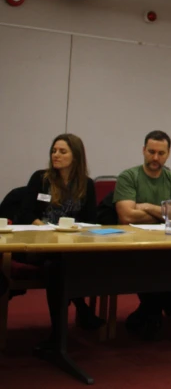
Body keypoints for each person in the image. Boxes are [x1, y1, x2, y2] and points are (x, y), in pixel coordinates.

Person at [17, 134, 104, 342]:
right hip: (39, 243)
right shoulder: (41, 179)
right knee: (55, 265)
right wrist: (43, 226)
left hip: (71, 243)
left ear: (76, 156)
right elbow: (25, 214)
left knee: (61, 264)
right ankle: (65, 325)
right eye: (54, 151)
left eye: (62, 151)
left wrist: (74, 229)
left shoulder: (86, 184)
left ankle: (62, 329)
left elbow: (91, 220)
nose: (56, 155)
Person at [113, 130, 171, 339]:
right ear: (143, 150)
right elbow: (126, 216)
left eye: (161, 153)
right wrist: (166, 213)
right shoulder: (129, 176)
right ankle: (154, 310)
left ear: (168, 154)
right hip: (133, 246)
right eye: (151, 152)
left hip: (169, 245)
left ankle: (150, 310)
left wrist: (146, 206)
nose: (155, 158)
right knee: (152, 264)